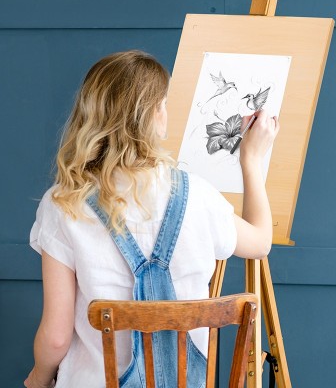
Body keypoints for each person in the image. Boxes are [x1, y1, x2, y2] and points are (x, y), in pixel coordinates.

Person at [24, 50, 279, 388]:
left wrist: (37, 379)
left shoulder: (64, 203)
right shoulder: (199, 196)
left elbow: (56, 338)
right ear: (155, 115)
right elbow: (260, 242)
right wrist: (252, 160)